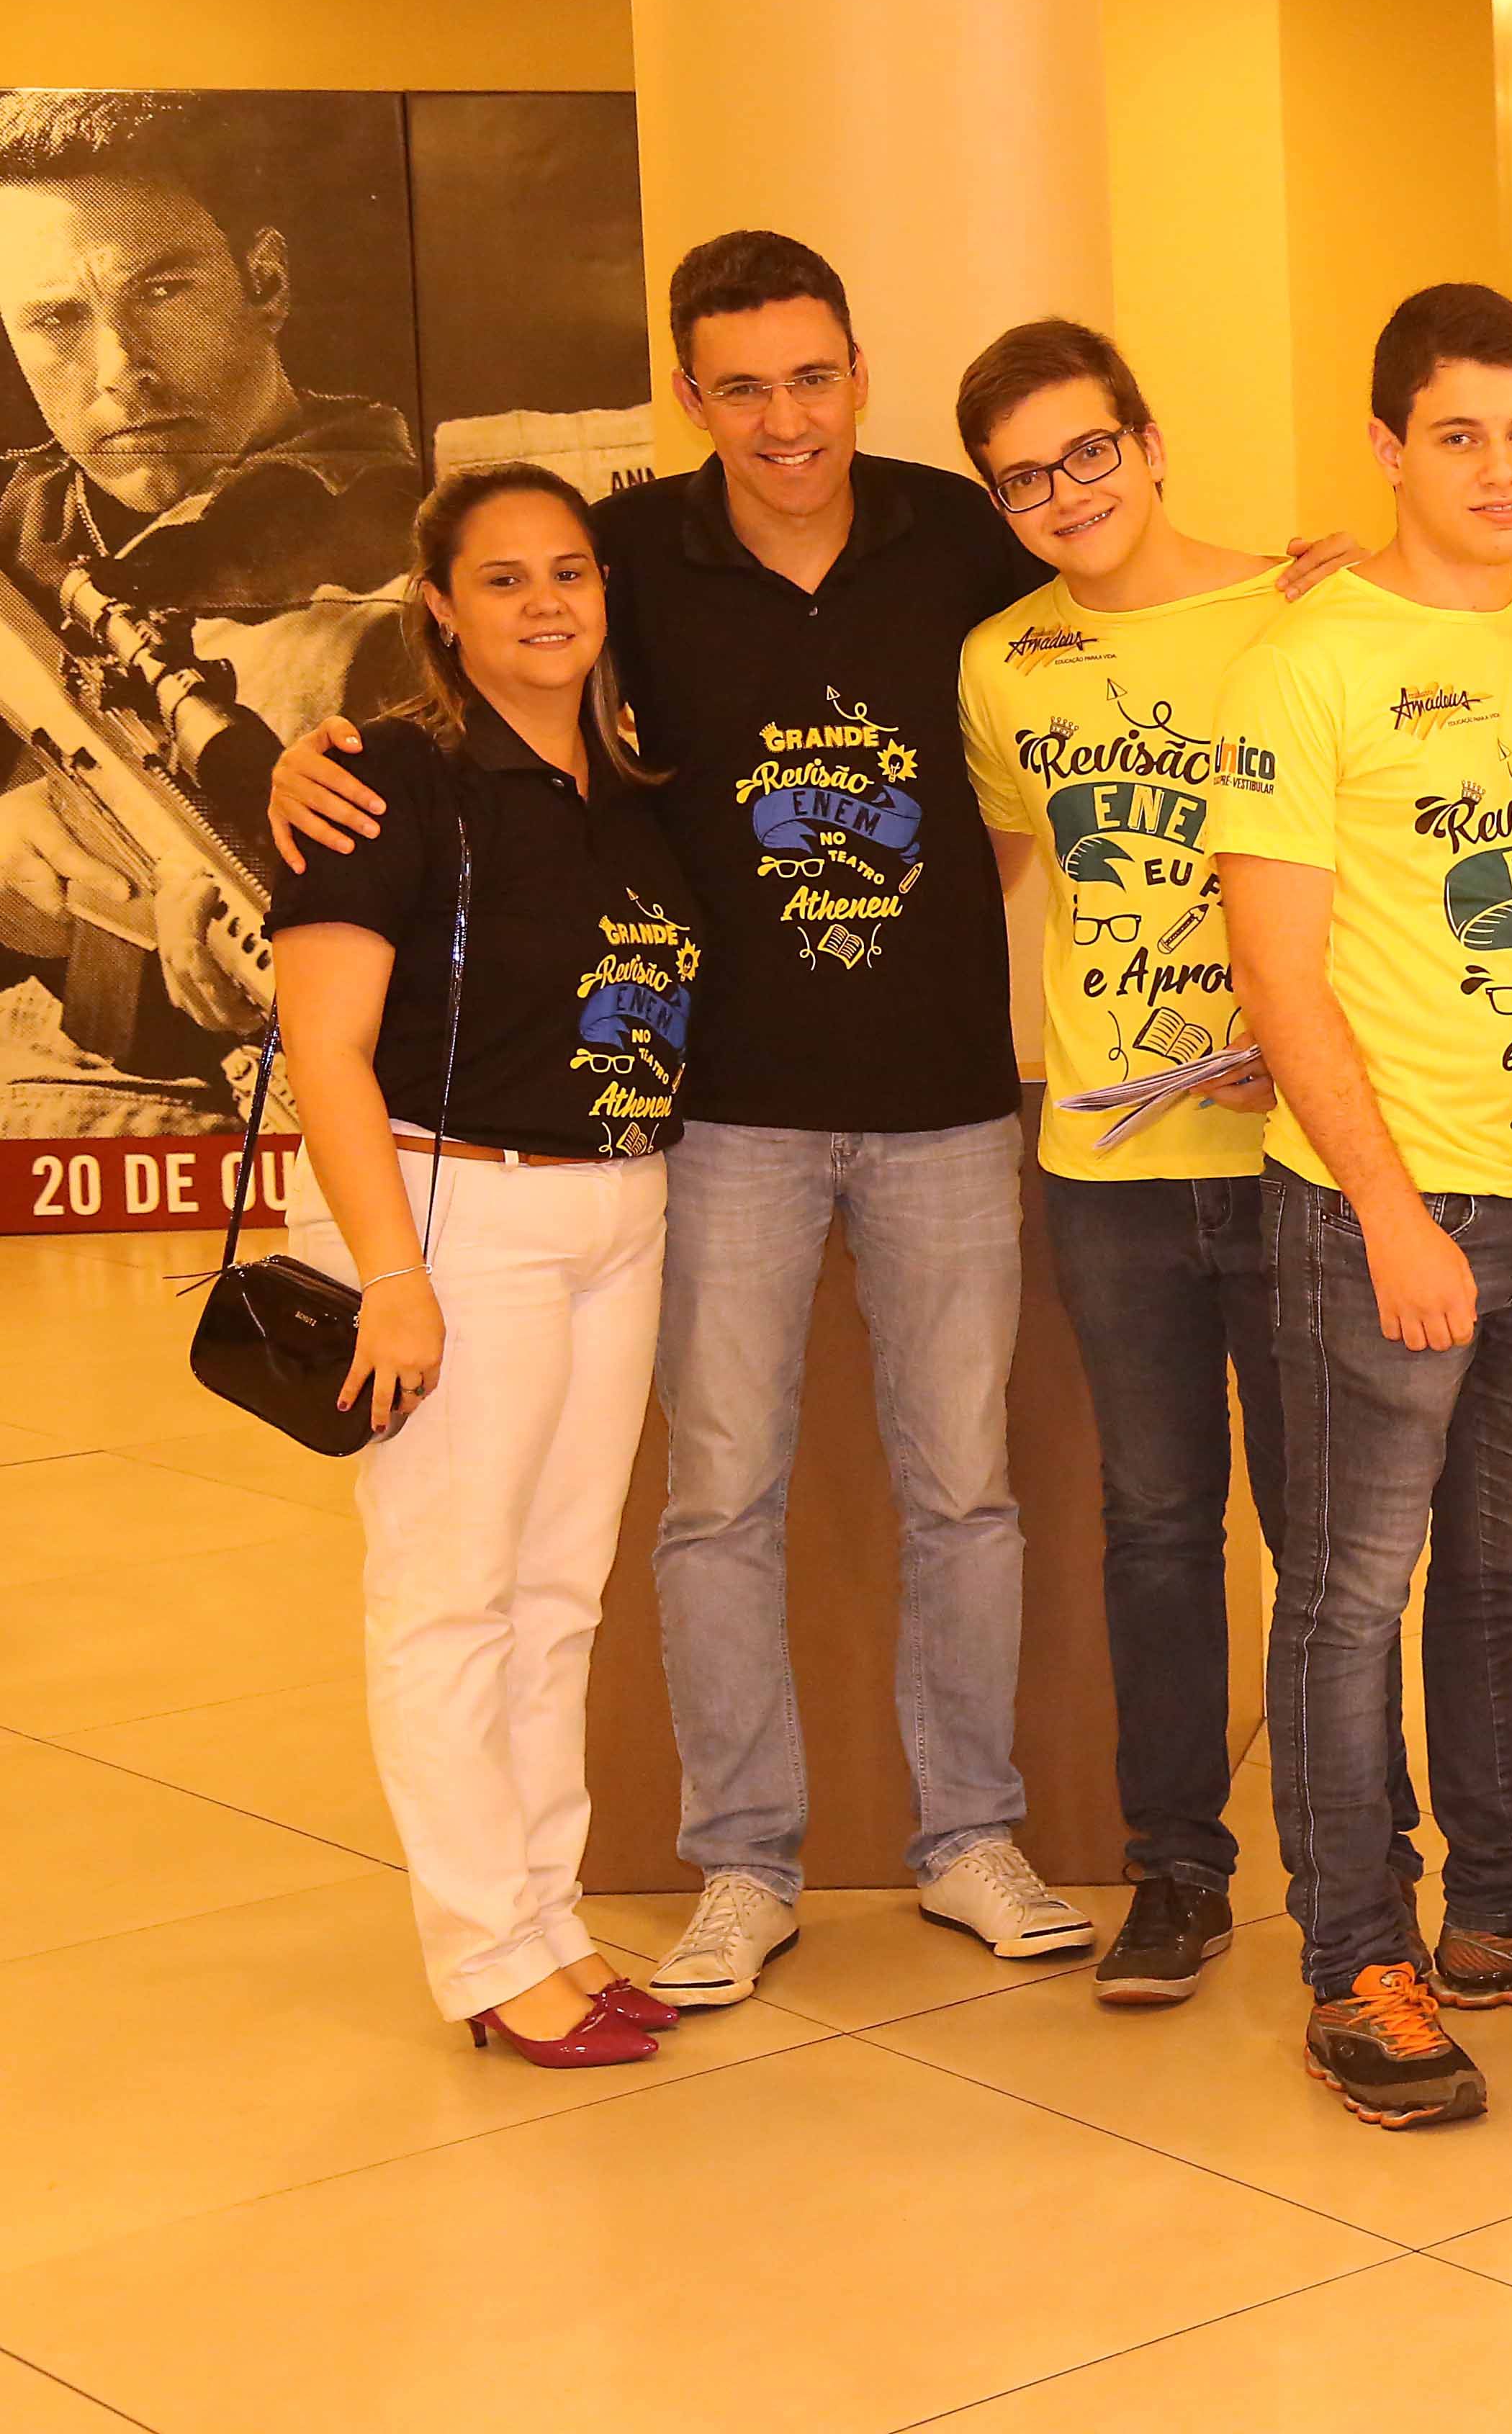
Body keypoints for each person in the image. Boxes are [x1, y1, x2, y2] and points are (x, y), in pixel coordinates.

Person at [275, 231, 1197, 2002]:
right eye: (744, 387)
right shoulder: (623, 559)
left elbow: (1126, 606)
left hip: (945, 1106)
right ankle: (743, 1860)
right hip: (713, 1127)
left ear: (860, 372)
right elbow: (467, 668)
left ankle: (969, 1836)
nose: (787, 420)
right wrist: (303, 754)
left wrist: (1309, 581)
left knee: (967, 1492)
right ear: (690, 396)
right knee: (715, 1501)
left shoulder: (962, 537)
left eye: (815, 377)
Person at [1212, 281, 1512, 2134]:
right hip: (1377, 1209)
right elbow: (1276, 967)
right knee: (1348, 1592)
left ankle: (1505, 1908)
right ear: (1388, 449)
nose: (1499, 468)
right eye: (1459, 435)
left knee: (1505, 1577)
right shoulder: (1309, 663)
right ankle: (1355, 1959)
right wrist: (1391, 1210)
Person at [268, 463, 698, 2068]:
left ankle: (550, 1918)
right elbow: (325, 1050)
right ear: (439, 608)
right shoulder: (384, 778)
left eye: (569, 571)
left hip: (615, 1208)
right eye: (503, 579)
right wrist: (393, 1277)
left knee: (559, 1596)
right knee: (450, 1599)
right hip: (449, 1214)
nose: (545, 604)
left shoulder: (629, 784)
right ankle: (487, 1955)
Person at [955, 317, 1289, 2008]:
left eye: (1090, 452)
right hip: (1107, 1159)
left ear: (1151, 445)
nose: (1066, 493)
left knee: (1328, 1534)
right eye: (1024, 479)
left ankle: (1357, 1867)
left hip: (1299, 1151)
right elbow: (997, 879)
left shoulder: (1298, 611)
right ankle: (1178, 1870)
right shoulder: (1004, 664)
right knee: (1157, 1524)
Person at [0, 88, 423, 1136]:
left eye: (161, 292)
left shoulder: (435, 544)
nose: (121, 372)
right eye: (56, 319)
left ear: (265, 281)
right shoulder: (19, 532)